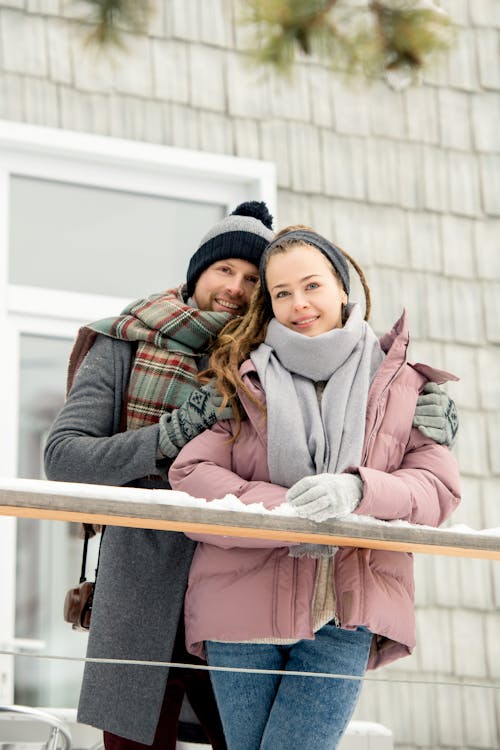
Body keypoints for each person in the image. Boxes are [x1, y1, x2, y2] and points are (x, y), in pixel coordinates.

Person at [168, 226, 462, 750]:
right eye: (282, 293)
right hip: (240, 615)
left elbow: (436, 487)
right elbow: (191, 476)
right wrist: (289, 510)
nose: (299, 304)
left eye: (312, 286)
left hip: (342, 616)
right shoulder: (244, 378)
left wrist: (357, 493)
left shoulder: (400, 382)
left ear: (342, 289)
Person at [43, 201, 275, 750]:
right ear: (198, 271)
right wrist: (164, 441)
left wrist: (421, 417)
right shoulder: (123, 342)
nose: (236, 289)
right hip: (138, 592)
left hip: (236, 592)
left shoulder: (271, 361)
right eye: (225, 270)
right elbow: (65, 457)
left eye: (251, 279)